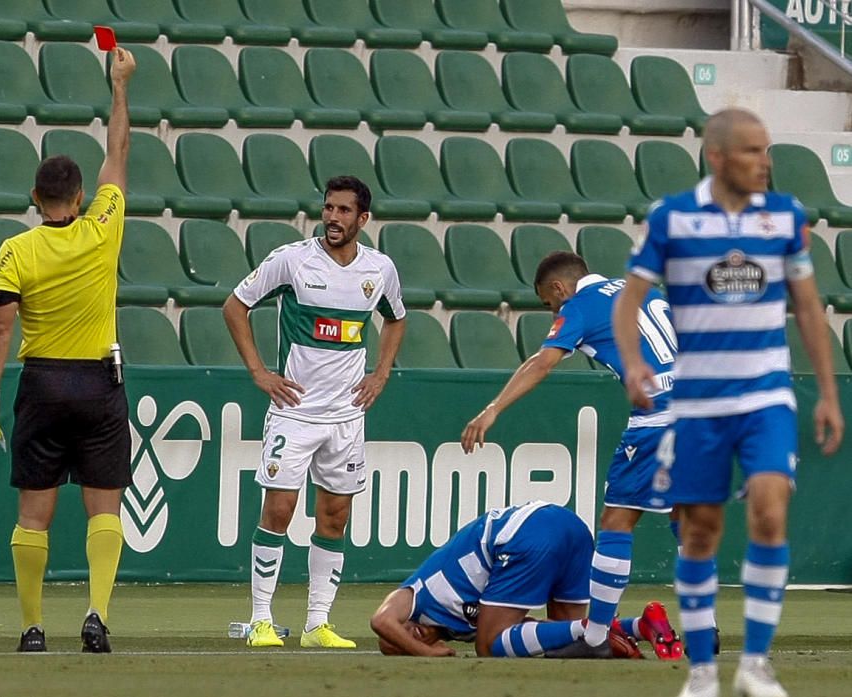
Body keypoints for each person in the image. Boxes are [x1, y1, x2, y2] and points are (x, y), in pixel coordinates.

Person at [613, 108, 844, 697]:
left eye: (767, 150)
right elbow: (629, 298)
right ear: (717, 157)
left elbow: (809, 306)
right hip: (697, 403)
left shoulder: (785, 217)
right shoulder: (673, 219)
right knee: (701, 531)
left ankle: (756, 665)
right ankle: (702, 673)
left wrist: (826, 391)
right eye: (751, 151)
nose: (765, 161)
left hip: (766, 394)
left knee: (770, 507)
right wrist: (634, 362)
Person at [0, 47, 136, 654]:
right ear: (82, 193)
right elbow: (119, 149)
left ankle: (33, 628)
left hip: (42, 385)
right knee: (103, 509)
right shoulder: (104, 226)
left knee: (33, 515)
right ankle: (96, 615)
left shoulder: (15, 250)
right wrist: (118, 86)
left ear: (37, 198)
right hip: (99, 384)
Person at [461, 251, 683, 660]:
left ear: (559, 289)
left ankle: (596, 635)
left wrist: (492, 409)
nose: (553, 313)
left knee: (617, 521)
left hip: (657, 416)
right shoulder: (646, 291)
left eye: (550, 304)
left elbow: (542, 362)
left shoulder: (579, 306)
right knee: (686, 519)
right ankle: (703, 624)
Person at [224, 175, 406, 649]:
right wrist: (260, 372)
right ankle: (261, 619)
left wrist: (381, 372)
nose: (333, 218)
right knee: (279, 510)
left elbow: (397, 318)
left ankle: (316, 625)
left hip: (346, 415)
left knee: (335, 517)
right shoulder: (292, 260)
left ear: (362, 219)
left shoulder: (379, 269)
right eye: (328, 208)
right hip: (295, 411)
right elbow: (235, 306)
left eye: (344, 211)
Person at [370, 500, 648, 658]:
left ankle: (593, 628)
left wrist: (423, 653)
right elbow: (529, 629)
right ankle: (640, 626)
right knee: (569, 642)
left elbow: (381, 621)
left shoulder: (415, 592)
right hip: (569, 529)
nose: (406, 635)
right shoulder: (458, 629)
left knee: (489, 646)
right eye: (399, 646)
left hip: (525, 534)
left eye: (398, 633)